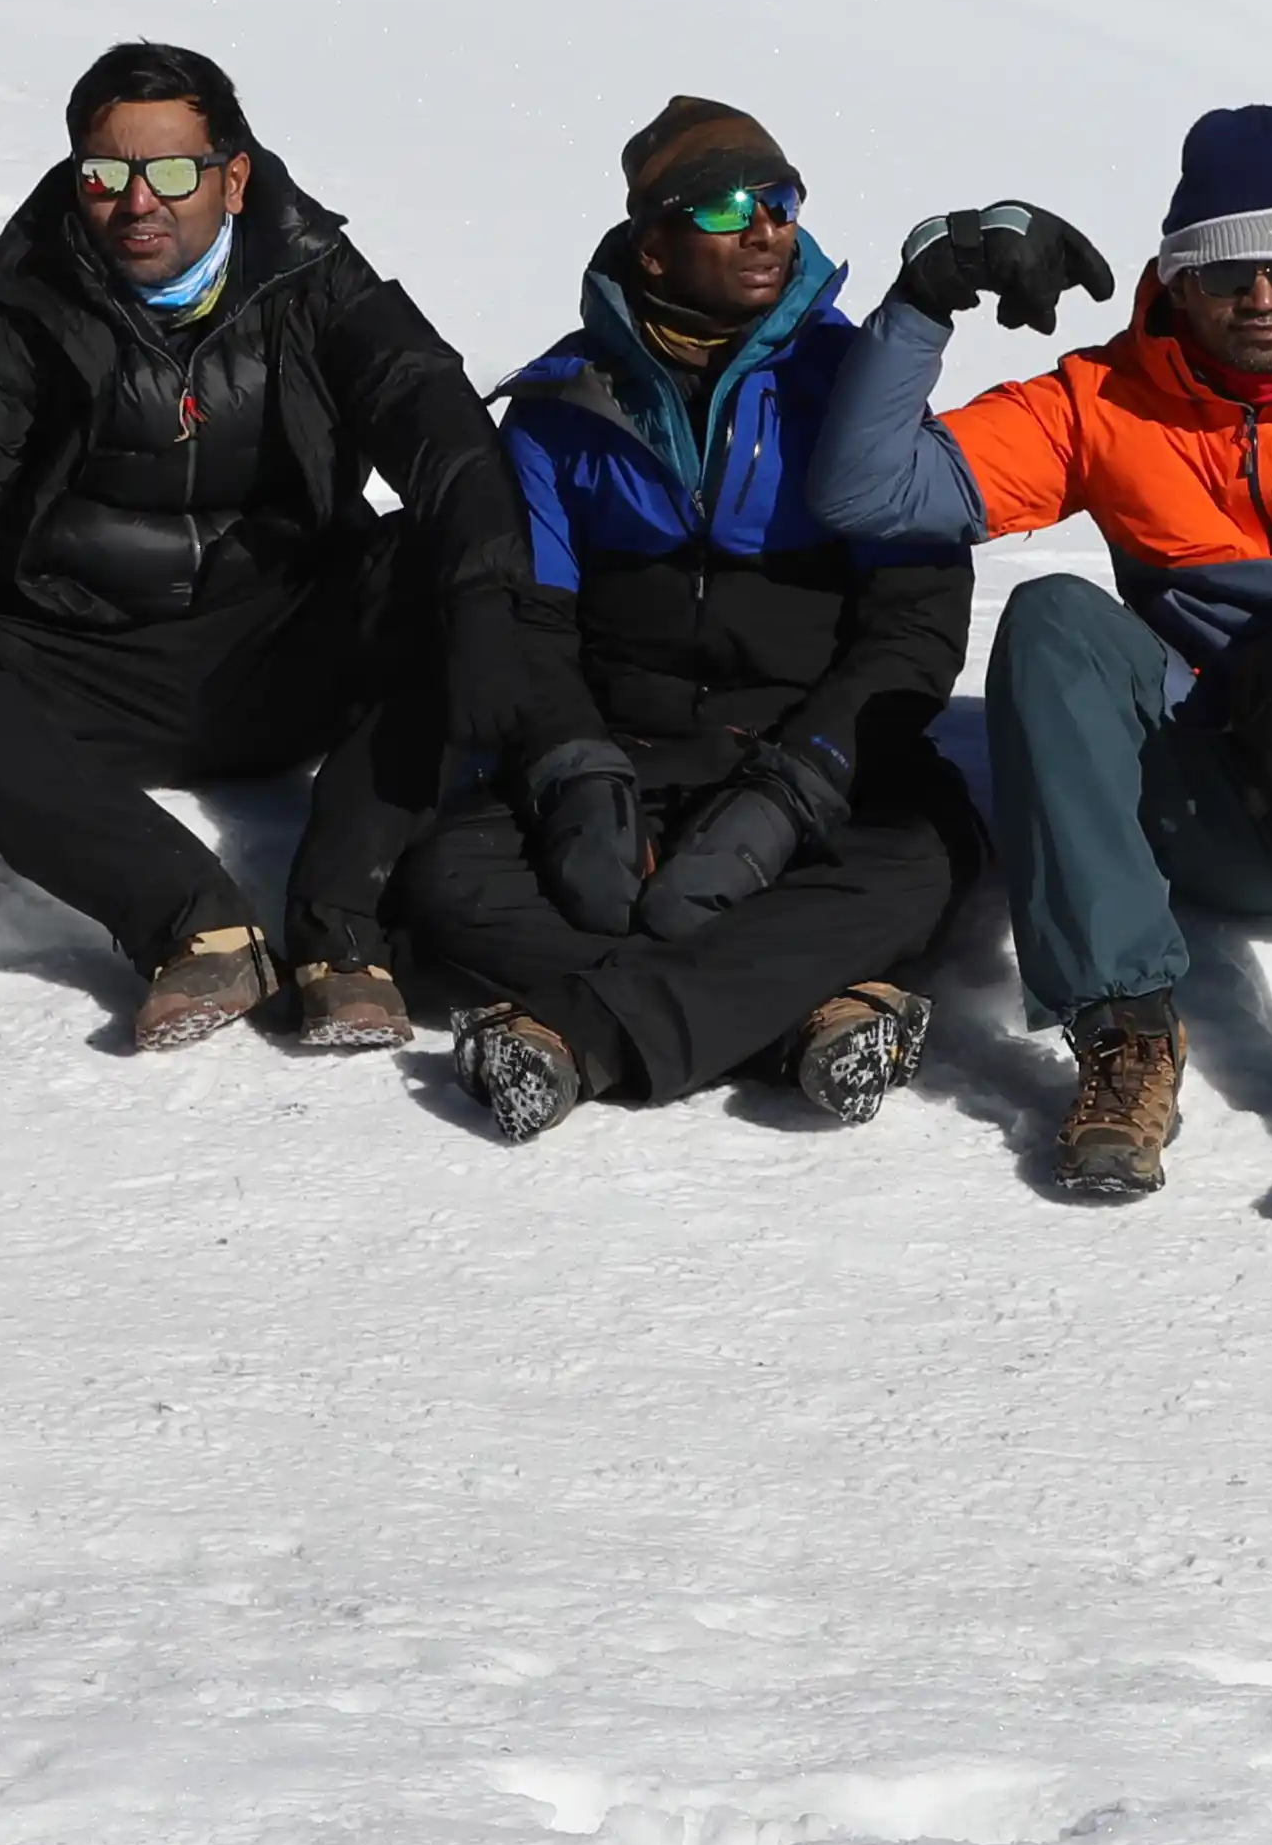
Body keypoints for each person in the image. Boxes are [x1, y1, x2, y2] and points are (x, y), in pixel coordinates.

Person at [808, 104, 1272, 1216]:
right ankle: (1125, 1035)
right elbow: (867, 493)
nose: (1263, 298)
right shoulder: (1102, 400)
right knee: (1051, 612)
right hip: (1199, 806)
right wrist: (922, 301)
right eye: (1227, 269)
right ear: (1175, 282)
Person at [0, 43, 495, 1053]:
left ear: (234, 175)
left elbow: (448, 439)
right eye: (105, 174)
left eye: (170, 171)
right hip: (84, 666)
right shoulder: (24, 302)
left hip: (285, 649)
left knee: (441, 564)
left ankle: (342, 928)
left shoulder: (315, 278)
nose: (137, 201)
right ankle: (189, 918)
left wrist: (514, 630)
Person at [401, 100, 971, 1139]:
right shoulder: (560, 407)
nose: (764, 228)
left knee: (921, 861)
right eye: (722, 206)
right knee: (449, 876)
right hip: (630, 763)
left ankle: (584, 1030)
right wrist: (572, 767)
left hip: (818, 765)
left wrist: (796, 789)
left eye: (781, 200)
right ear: (653, 249)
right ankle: (798, 1014)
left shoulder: (855, 388)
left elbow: (916, 623)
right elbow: (532, 620)